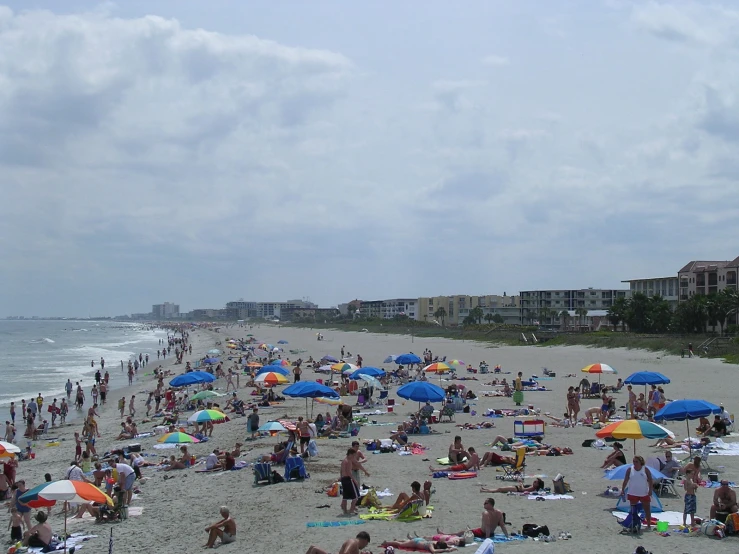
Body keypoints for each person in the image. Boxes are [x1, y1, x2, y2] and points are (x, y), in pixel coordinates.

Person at [437, 498, 508, 540]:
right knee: (470, 530)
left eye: (485, 503)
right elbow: (502, 526)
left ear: (490, 504)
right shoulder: (499, 512)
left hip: (483, 533)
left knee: (462, 532)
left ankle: (445, 534)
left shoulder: (486, 513)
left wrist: (487, 539)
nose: (484, 504)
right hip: (491, 534)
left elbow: (487, 527)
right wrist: (507, 536)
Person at [620, 455, 654, 531]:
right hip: (632, 493)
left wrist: (650, 490)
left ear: (640, 462)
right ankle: (633, 524)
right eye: (634, 461)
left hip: (644, 493)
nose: (634, 463)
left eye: (636, 461)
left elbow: (651, 480)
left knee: (647, 510)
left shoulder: (645, 469)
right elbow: (625, 480)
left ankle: (648, 525)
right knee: (633, 511)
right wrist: (622, 489)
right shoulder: (630, 469)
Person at [305, 531, 371, 554]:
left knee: (313, 547)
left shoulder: (355, 544)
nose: (365, 546)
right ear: (365, 540)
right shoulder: (353, 542)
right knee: (314, 549)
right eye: (366, 544)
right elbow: (346, 553)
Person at [340, 448, 361, 515]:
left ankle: (345, 510)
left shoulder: (344, 460)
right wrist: (354, 480)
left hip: (343, 479)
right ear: (350, 454)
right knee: (356, 496)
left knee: (345, 496)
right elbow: (349, 472)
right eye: (353, 455)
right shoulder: (348, 461)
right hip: (348, 479)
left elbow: (341, 471)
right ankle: (351, 509)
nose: (354, 457)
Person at [480, 478, 545, 494]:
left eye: (536, 482)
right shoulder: (533, 487)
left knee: (499, 489)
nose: (534, 481)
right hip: (516, 488)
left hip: (516, 489)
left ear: (537, 485)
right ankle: (486, 489)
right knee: (499, 489)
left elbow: (523, 490)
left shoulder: (532, 488)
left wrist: (521, 484)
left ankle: (485, 491)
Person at [379, 539, 454, 553]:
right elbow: (433, 551)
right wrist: (446, 550)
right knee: (401, 544)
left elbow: (444, 545)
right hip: (416, 542)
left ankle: (396, 539)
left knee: (406, 541)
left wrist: (450, 547)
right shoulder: (431, 545)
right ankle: (387, 542)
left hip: (419, 540)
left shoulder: (435, 542)